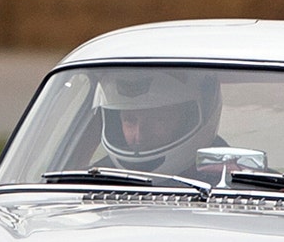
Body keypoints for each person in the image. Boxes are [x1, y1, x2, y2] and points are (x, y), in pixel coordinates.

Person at [95, 70, 223, 177]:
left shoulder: (227, 175)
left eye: (157, 119)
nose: (140, 136)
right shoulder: (99, 176)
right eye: (130, 120)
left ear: (186, 120)